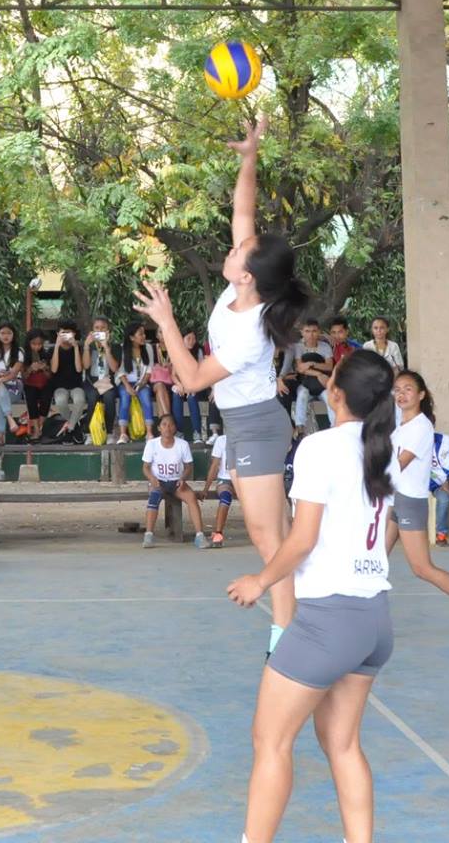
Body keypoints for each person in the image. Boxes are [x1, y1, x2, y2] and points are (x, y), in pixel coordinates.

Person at [137, 117, 310, 656]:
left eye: (242, 250)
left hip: (257, 425)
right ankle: (298, 613)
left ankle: (288, 631)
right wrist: (249, 156)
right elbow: (244, 210)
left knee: (266, 536)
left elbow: (188, 382)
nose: (235, 246)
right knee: (272, 530)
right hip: (244, 422)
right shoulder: (242, 286)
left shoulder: (248, 330)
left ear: (249, 275)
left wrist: (165, 323)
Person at [226, 349, 398, 843]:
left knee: (271, 742)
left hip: (328, 621)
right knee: (343, 745)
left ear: (337, 392)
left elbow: (301, 540)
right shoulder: (380, 447)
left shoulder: (320, 447)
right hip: (373, 618)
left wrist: (260, 581)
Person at [385, 369, 449, 614]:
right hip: (392, 499)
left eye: (407, 389)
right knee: (375, 562)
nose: (401, 394)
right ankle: (362, 617)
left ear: (421, 394)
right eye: (397, 390)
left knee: (422, 568)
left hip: (409, 502)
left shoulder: (421, 426)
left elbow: (398, 465)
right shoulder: (398, 425)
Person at [140, 413, 205, 548]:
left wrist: (182, 478)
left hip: (176, 482)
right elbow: (145, 467)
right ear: (159, 428)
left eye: (171, 425)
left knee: (192, 498)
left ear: (175, 428)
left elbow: (188, 466)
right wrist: (152, 478)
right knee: (154, 499)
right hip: (158, 481)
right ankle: (148, 535)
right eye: (164, 424)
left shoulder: (182, 444)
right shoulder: (152, 444)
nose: (167, 427)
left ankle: (200, 536)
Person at [280, 319, 333, 435]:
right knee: (302, 394)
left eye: (314, 331)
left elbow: (329, 366)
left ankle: (334, 427)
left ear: (319, 332)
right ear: (302, 332)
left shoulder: (325, 347)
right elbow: (299, 368)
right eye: (307, 331)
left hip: (322, 384)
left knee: (329, 397)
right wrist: (318, 373)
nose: (311, 334)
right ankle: (300, 427)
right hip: (305, 383)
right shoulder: (298, 347)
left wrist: (311, 364)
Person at [121, 323, 159, 439]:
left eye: (144, 333)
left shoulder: (147, 348)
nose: (144, 336)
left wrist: (142, 383)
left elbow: (149, 369)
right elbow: (120, 371)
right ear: (132, 337)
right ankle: (123, 433)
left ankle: (149, 432)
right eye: (140, 334)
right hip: (126, 382)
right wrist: (127, 386)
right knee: (124, 398)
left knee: (146, 397)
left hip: (142, 382)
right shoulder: (123, 348)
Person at [49, 321, 88, 434]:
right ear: (57, 334)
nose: (66, 336)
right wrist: (57, 345)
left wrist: (75, 347)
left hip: (76, 385)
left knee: (80, 400)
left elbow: (79, 369)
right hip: (60, 386)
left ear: (74, 334)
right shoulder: (53, 350)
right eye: (63, 333)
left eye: (69, 333)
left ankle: (70, 427)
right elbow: (54, 369)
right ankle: (74, 424)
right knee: (60, 402)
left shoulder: (78, 348)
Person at [167, 329, 205, 441]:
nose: (192, 341)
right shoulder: (177, 352)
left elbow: (200, 373)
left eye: (193, 339)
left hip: (196, 384)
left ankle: (197, 433)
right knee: (176, 395)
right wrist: (179, 385)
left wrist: (190, 386)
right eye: (188, 338)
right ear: (182, 340)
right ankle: (179, 432)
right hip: (181, 384)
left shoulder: (198, 352)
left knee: (192, 398)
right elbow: (173, 374)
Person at [207, 428, 236, 548]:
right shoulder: (221, 440)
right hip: (226, 479)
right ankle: (218, 533)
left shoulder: (248, 440)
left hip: (244, 480)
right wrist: (206, 488)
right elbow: (214, 465)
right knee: (225, 498)